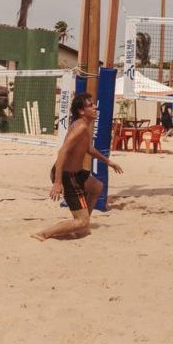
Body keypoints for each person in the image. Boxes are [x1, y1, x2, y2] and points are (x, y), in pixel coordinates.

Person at [31, 93, 123, 241]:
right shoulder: (80, 127)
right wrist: (57, 183)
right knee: (81, 221)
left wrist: (108, 162)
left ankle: (82, 227)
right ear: (81, 111)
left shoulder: (85, 125)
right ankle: (43, 234)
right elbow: (62, 152)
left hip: (76, 173)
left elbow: (89, 148)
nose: (95, 107)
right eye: (90, 105)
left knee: (97, 187)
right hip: (67, 176)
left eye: (94, 104)